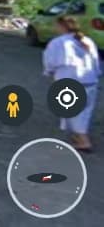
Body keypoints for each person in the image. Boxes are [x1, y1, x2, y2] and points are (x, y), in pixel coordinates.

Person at [43, 17, 101, 151]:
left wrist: (49, 72)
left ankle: (84, 141)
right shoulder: (87, 41)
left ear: (61, 26)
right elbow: (96, 61)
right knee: (83, 112)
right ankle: (77, 135)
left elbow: (51, 62)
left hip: (69, 81)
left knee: (71, 112)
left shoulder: (58, 42)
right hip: (89, 81)